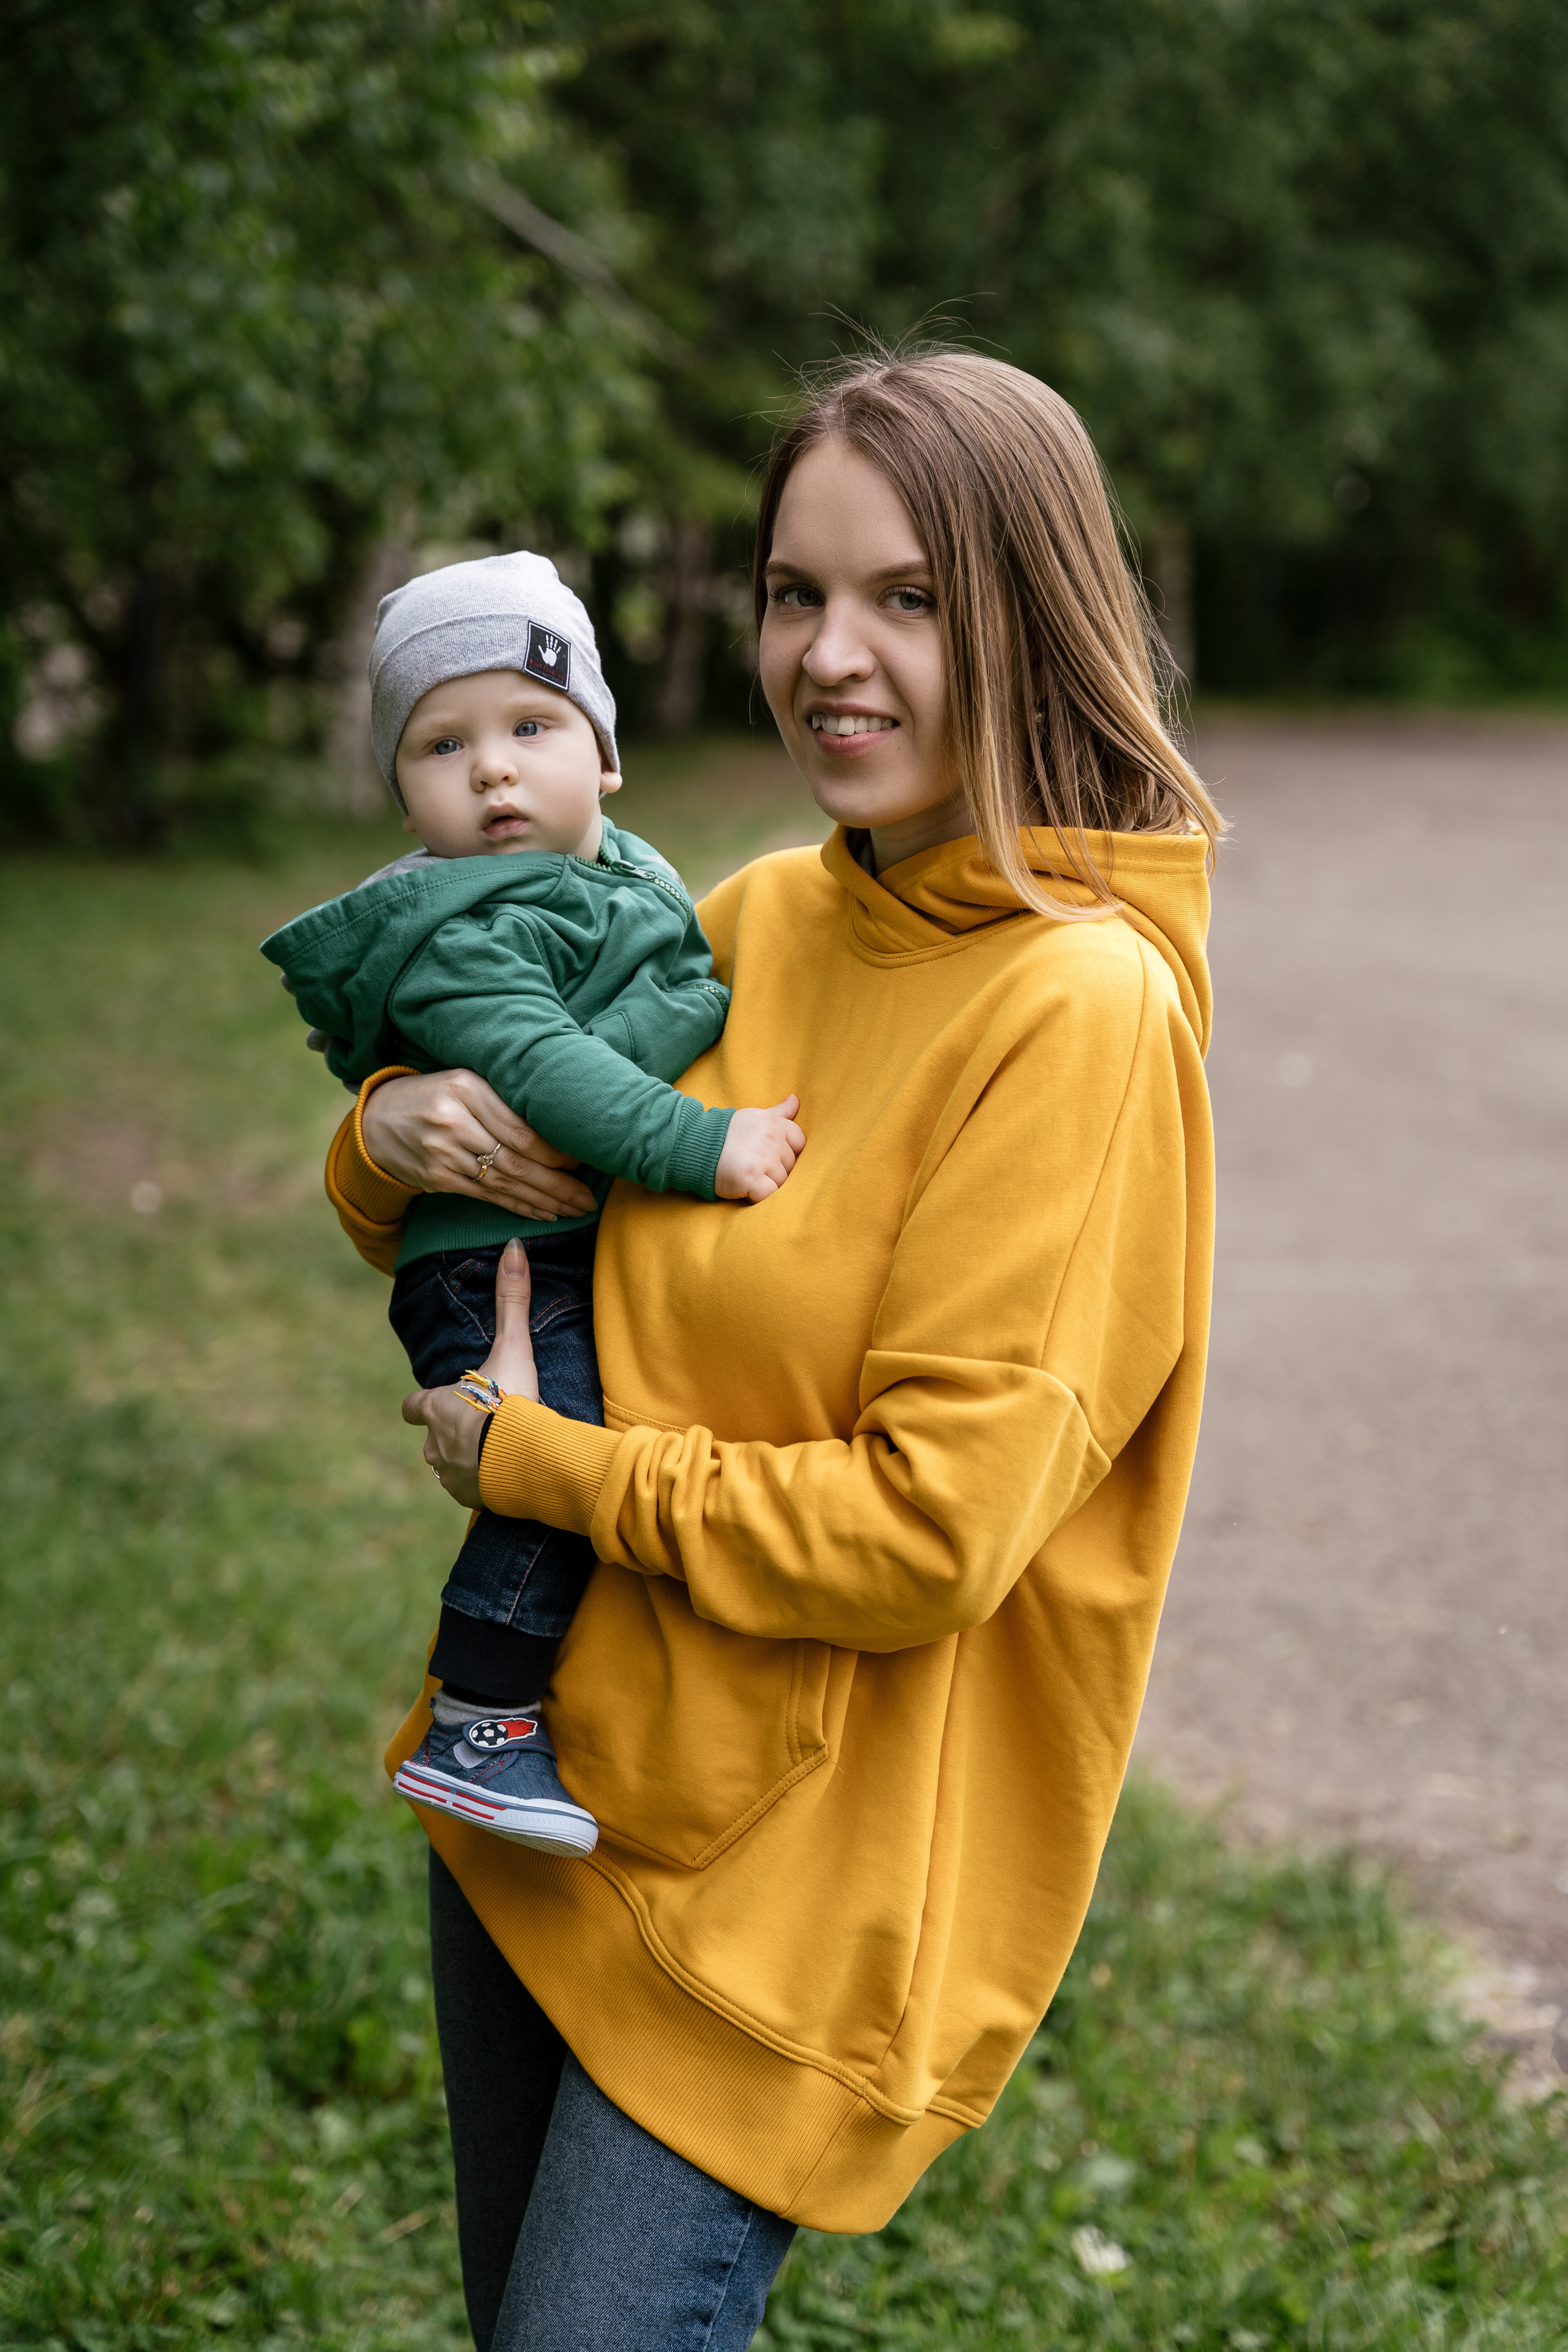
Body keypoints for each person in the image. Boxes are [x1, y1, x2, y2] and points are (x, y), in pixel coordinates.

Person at [326, 349, 1221, 2351]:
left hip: (789, 1917)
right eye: (794, 592)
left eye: (908, 597)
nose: (833, 654)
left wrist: (535, 1469)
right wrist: (380, 1141)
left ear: (1033, 613)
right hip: (551, 1797)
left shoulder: (1079, 1015)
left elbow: (931, 1538)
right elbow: (494, 1136)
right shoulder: (744, 917)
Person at [263, 551, 804, 1858]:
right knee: (545, 1449)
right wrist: (704, 1143)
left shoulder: (622, 875)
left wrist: (680, 1003)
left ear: (603, 755)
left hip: (554, 1245)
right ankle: (480, 1714)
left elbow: (638, 1006)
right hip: (493, 1264)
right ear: (403, 792)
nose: (493, 769)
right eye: (442, 745)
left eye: (530, 726)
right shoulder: (466, 930)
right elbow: (556, 1076)